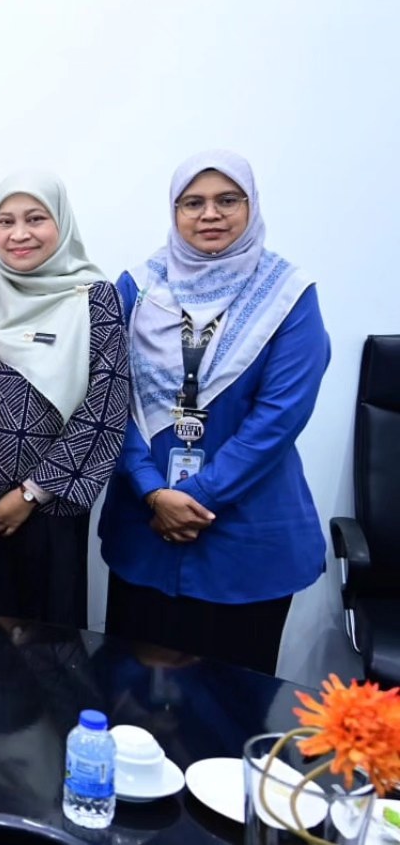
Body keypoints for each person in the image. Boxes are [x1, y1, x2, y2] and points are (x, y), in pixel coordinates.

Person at [99, 150, 328, 675]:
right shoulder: (138, 288)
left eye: (228, 200)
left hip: (244, 538)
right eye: (193, 203)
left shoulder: (287, 295)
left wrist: (197, 496)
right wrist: (151, 489)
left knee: (233, 703)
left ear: (252, 206)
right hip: (145, 528)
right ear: (174, 211)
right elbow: (110, 397)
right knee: (132, 700)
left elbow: (280, 416)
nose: (210, 215)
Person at [0, 170, 130, 628]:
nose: (19, 234)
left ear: (61, 224)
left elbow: (104, 409)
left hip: (50, 513)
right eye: (5, 221)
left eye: (35, 218)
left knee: (46, 651)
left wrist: (31, 493)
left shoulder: (94, 299)